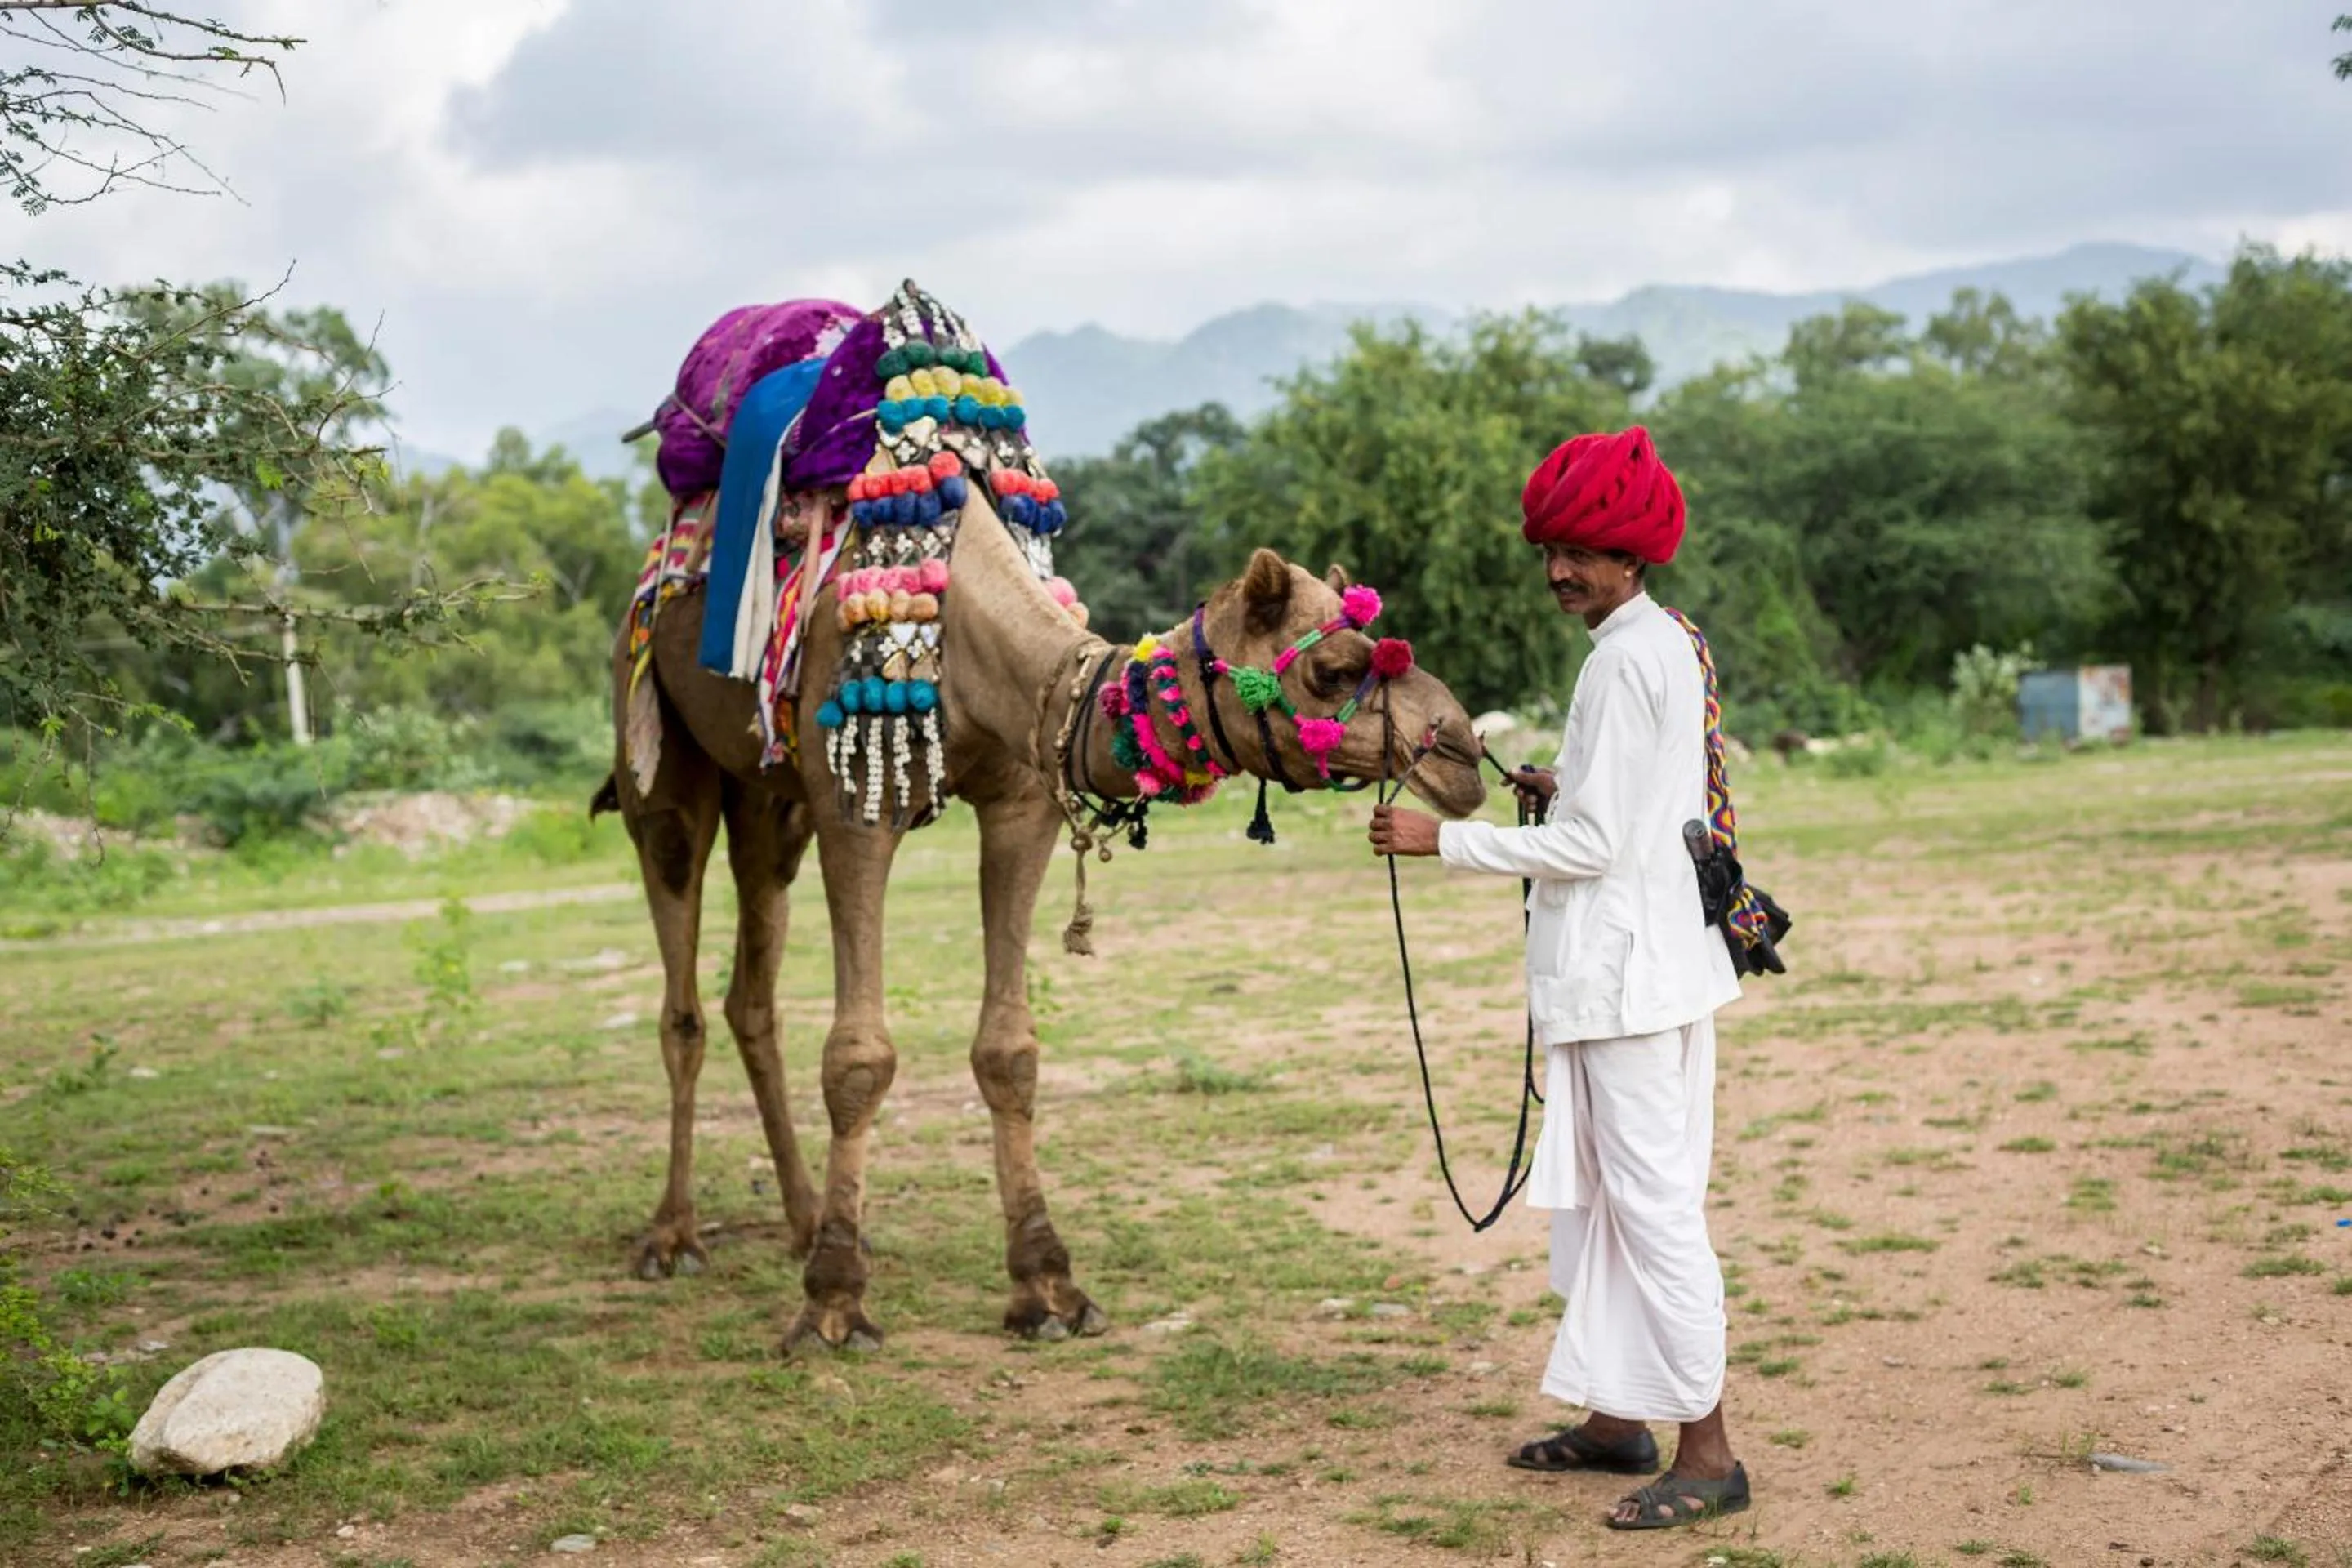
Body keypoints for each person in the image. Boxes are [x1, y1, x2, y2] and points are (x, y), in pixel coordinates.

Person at [1367, 425, 1750, 1531]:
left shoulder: (1624, 660)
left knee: (1653, 1211)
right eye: (1550, 550)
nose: (1559, 571)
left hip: (1629, 985)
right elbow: (1637, 802)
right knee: (1613, 1205)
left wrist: (1440, 840)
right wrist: (1565, 780)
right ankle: (1618, 1419)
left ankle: (1711, 1454)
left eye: (1581, 552)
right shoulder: (1662, 638)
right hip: (1642, 972)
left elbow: (1593, 846)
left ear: (1632, 554)